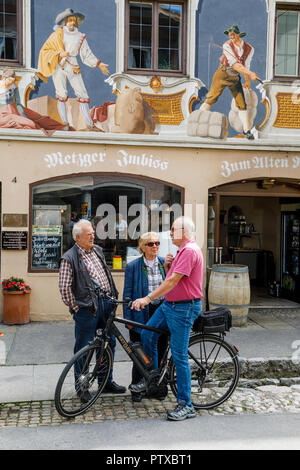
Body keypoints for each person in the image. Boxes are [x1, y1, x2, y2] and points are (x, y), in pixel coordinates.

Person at [130, 216, 203, 421]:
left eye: (173, 230)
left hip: (183, 309)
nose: (170, 234)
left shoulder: (189, 250)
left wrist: (148, 298)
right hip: (169, 305)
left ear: (183, 231)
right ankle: (152, 377)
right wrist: (170, 264)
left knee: (179, 356)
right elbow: (173, 278)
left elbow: (172, 281)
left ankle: (186, 405)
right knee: (147, 334)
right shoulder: (181, 251)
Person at [59, 219, 126, 403]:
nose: (92, 236)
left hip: (106, 304)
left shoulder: (97, 250)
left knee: (109, 344)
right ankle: (82, 388)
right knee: (84, 349)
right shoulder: (69, 257)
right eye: (89, 234)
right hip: (87, 309)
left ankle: (106, 382)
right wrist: (76, 307)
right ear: (78, 237)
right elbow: (64, 288)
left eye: (93, 233)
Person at [38, 8, 109, 130]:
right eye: (69, 20)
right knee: (61, 93)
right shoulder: (56, 35)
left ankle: (89, 124)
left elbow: (86, 54)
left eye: (73, 20)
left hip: (73, 64)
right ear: (65, 22)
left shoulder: (80, 36)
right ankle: (64, 123)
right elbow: (45, 51)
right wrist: (59, 54)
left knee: (82, 93)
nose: (72, 22)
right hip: (59, 65)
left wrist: (99, 64)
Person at [123, 232, 167, 402]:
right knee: (139, 353)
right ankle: (137, 388)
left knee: (161, 350)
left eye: (157, 243)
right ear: (142, 247)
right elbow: (127, 295)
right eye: (150, 244)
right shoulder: (133, 266)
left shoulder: (164, 263)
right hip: (141, 313)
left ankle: (158, 387)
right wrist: (129, 321)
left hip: (161, 311)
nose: (155, 246)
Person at [200, 25, 260, 139]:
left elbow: (246, 65)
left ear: (239, 34)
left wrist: (248, 81)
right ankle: (197, 119)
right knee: (211, 98)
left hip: (235, 77)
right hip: (223, 73)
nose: (231, 36)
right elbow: (236, 65)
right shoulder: (226, 45)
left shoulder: (249, 49)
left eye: (233, 34)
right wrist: (251, 74)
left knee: (242, 103)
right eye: (229, 34)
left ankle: (247, 131)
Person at [0, 69, 67, 134]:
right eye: (10, 81)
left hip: (14, 108)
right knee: (30, 123)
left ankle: (58, 127)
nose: (11, 83)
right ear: (5, 78)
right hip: (4, 115)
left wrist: (23, 114)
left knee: (37, 117)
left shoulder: (13, 86)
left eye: (13, 81)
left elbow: (18, 103)